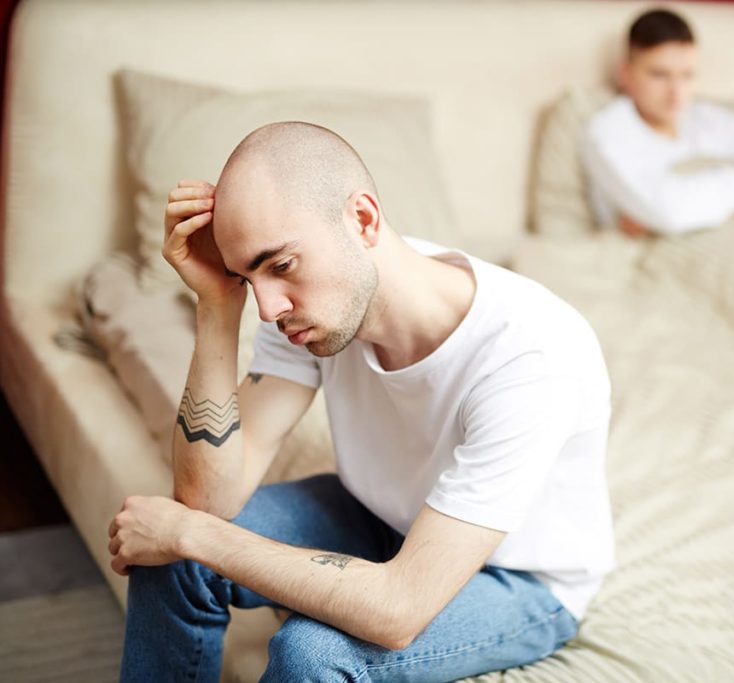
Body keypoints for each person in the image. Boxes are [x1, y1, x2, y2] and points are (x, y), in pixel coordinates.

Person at [107, 121, 614, 682]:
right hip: (377, 517)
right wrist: (216, 305)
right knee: (171, 554)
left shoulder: (529, 356)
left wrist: (190, 534)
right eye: (249, 278)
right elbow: (206, 499)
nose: (270, 307)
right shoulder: (304, 310)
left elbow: (399, 610)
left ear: (363, 219)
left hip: (518, 578)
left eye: (280, 266)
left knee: (309, 651)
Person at [581, 8, 734, 238]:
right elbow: (671, 214)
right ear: (625, 74)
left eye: (687, 75)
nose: (676, 92)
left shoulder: (715, 120)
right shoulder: (609, 132)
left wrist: (703, 215)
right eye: (660, 75)